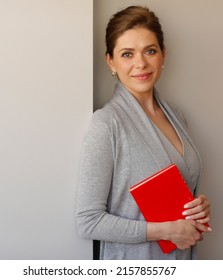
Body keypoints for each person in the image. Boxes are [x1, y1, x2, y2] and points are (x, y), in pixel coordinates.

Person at [75, 6, 211, 260]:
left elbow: (179, 190)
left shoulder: (177, 117)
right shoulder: (106, 124)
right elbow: (88, 221)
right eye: (127, 54)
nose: (141, 63)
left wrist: (197, 208)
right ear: (111, 61)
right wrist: (164, 230)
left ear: (163, 55)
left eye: (150, 50)